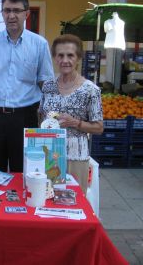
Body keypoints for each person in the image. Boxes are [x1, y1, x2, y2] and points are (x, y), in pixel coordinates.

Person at [0, 0, 54, 173]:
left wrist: (51, 121)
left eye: (16, 10)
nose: (11, 15)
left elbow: (46, 85)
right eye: (7, 10)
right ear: (2, 13)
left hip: (26, 118)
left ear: (26, 13)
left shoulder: (39, 45)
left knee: (24, 173)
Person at [39, 34, 104, 194]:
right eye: (60, 55)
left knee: (73, 202)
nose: (65, 60)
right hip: (51, 155)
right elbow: (41, 116)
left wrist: (75, 122)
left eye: (70, 55)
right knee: (49, 198)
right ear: (54, 58)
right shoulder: (48, 86)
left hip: (76, 156)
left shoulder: (90, 90)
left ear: (78, 58)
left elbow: (99, 128)